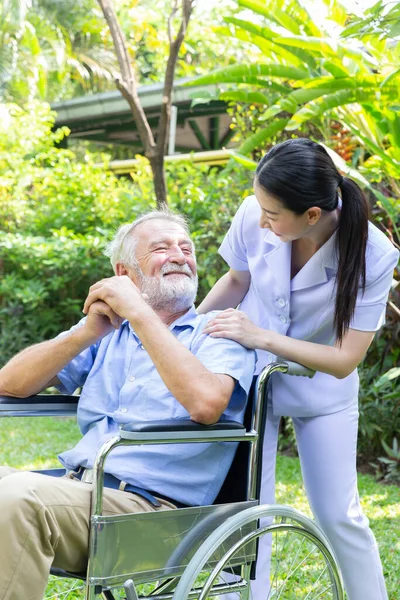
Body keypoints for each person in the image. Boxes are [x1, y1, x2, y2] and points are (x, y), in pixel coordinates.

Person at [0, 210, 255, 600]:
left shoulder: (219, 329)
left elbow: (207, 404)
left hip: (154, 514)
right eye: (161, 248)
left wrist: (139, 313)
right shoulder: (108, 332)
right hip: (80, 492)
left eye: (186, 248)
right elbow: (10, 385)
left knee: (19, 499)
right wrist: (87, 332)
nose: (179, 255)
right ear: (125, 273)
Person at [198, 138, 399, 600]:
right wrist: (186, 333)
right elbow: (235, 280)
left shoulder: (374, 253)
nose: (261, 220)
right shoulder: (255, 214)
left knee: (337, 514)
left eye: (273, 214)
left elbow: (346, 358)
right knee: (246, 509)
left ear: (311, 214)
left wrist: (262, 337)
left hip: (323, 394)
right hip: (249, 381)